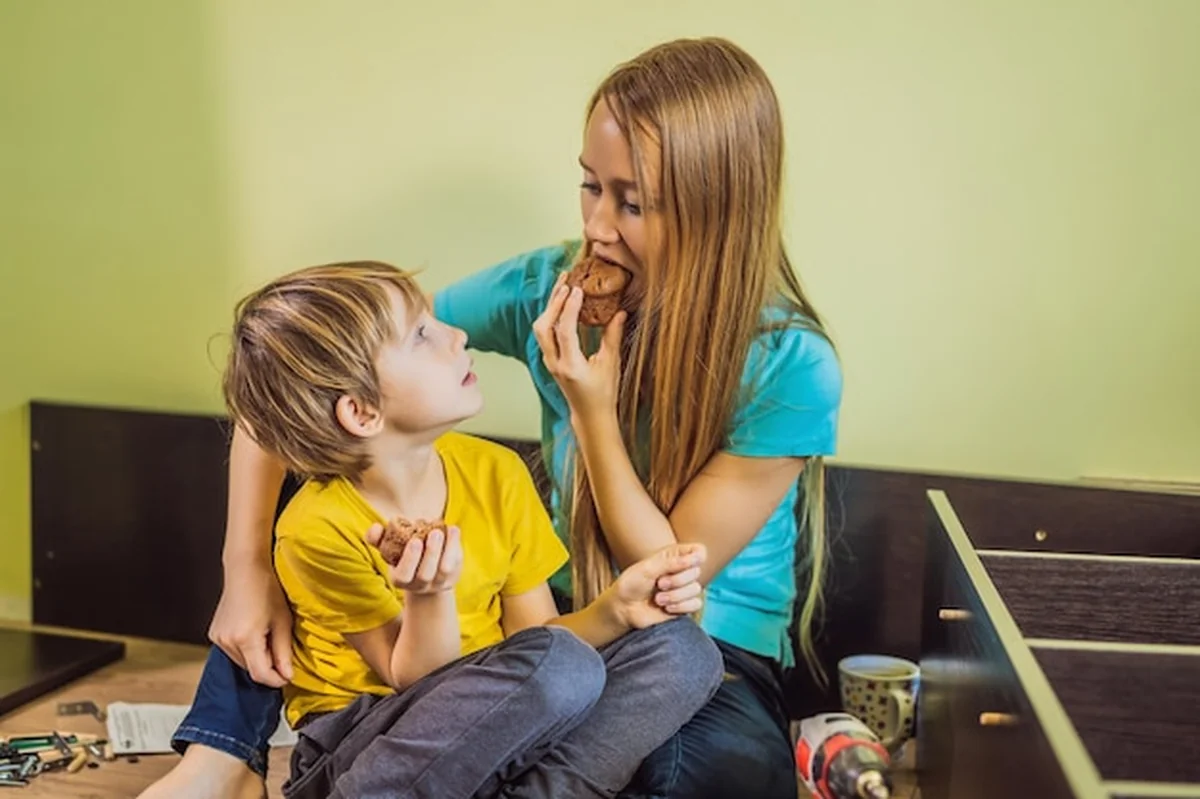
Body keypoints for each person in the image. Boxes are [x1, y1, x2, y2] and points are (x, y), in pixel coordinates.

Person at [158, 35, 842, 799]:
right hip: (537, 617)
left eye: (634, 203)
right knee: (322, 496)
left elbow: (670, 575)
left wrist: (593, 414)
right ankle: (220, 752)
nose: (598, 227)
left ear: (721, 209)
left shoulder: (790, 364)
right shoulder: (549, 286)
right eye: (591, 186)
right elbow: (307, 370)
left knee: (696, 727)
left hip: (695, 626)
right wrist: (243, 565)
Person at [141, 261, 722, 799]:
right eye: (421, 335)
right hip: (369, 737)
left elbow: (537, 637)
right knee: (561, 667)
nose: (457, 336)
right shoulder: (316, 529)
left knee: (685, 652)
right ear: (361, 411)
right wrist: (428, 593)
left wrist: (617, 611)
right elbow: (417, 680)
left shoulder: (496, 472)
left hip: (501, 726)